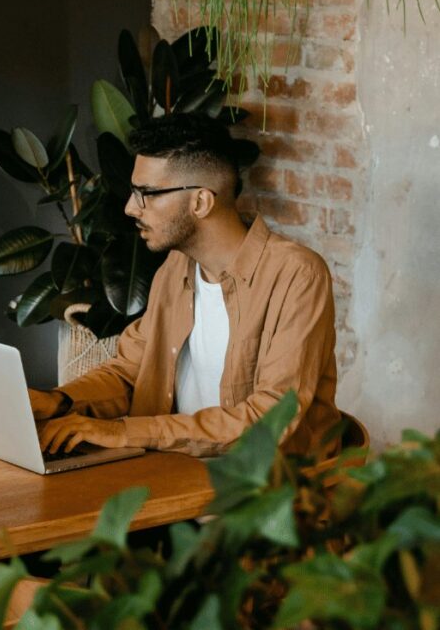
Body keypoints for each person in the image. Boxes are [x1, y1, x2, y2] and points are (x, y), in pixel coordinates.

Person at [32, 113, 340, 458]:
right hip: (171, 473)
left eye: (146, 193)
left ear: (200, 202)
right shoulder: (176, 268)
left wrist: (124, 432)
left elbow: (270, 420)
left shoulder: (297, 275)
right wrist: (58, 401)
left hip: (259, 494)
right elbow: (130, 371)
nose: (131, 208)